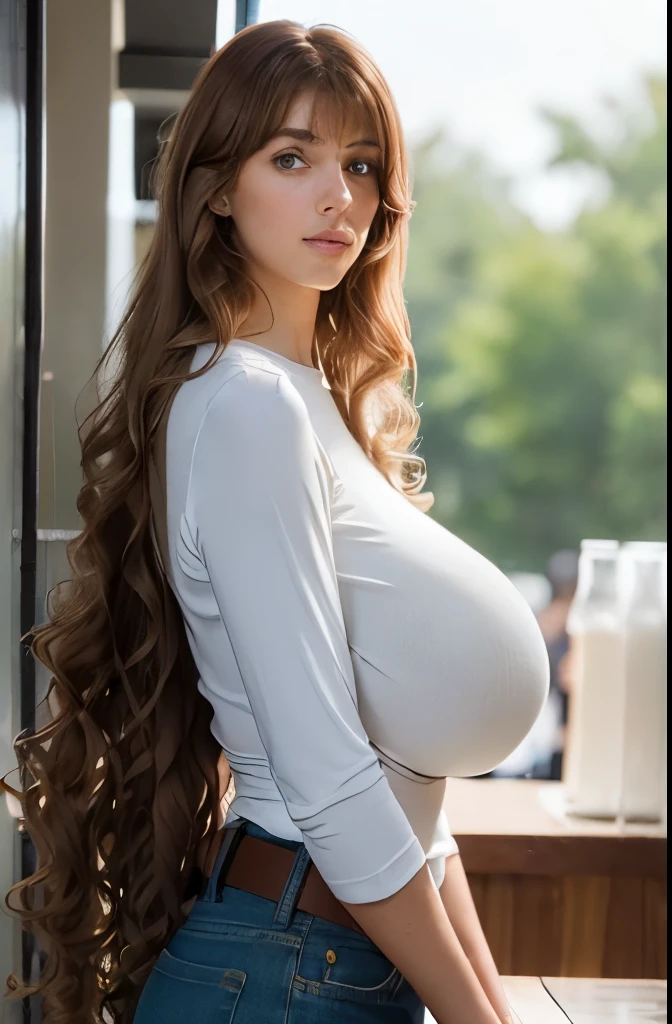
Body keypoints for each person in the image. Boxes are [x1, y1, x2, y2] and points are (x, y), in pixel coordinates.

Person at [1, 21, 550, 1024]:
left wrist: (494, 1010)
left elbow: (412, 809)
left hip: (335, 954)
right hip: (293, 967)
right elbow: (328, 777)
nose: (336, 194)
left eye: (360, 163)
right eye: (291, 158)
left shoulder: (310, 402)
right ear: (216, 188)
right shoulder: (245, 405)